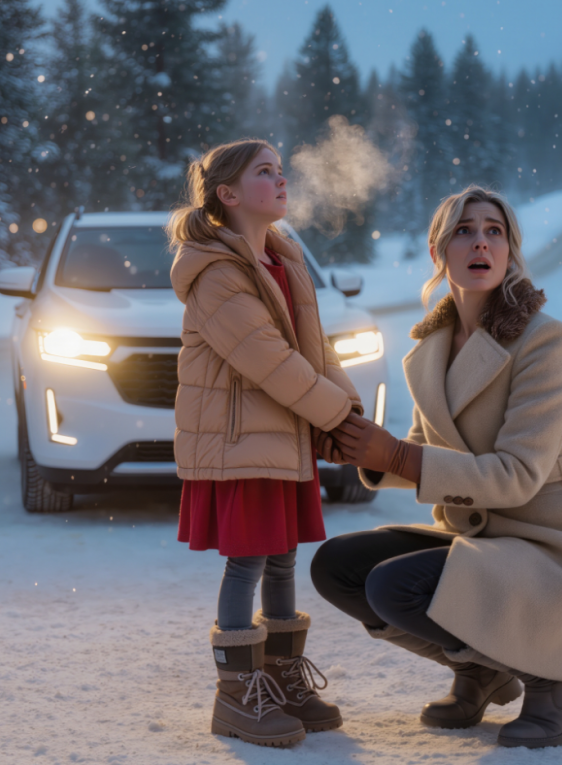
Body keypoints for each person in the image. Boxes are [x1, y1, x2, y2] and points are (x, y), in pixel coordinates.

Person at [311, 185, 562, 749]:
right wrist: (361, 452)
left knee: (393, 587)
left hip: (550, 544)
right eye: (464, 231)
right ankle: (483, 666)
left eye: (494, 231)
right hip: (483, 541)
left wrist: (396, 455)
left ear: (510, 251)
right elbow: (433, 449)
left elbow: (516, 475)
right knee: (337, 567)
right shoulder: (430, 351)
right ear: (438, 252)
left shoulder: (544, 341)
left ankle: (556, 678)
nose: (480, 242)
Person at [167, 138, 362, 748]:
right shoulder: (216, 272)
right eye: (265, 172)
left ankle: (279, 680)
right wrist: (333, 416)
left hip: (283, 434)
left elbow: (315, 349)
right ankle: (236, 694)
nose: (281, 180)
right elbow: (270, 362)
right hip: (241, 438)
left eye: (282, 170)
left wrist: (348, 408)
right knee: (248, 559)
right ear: (227, 194)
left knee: (282, 558)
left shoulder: (285, 255)